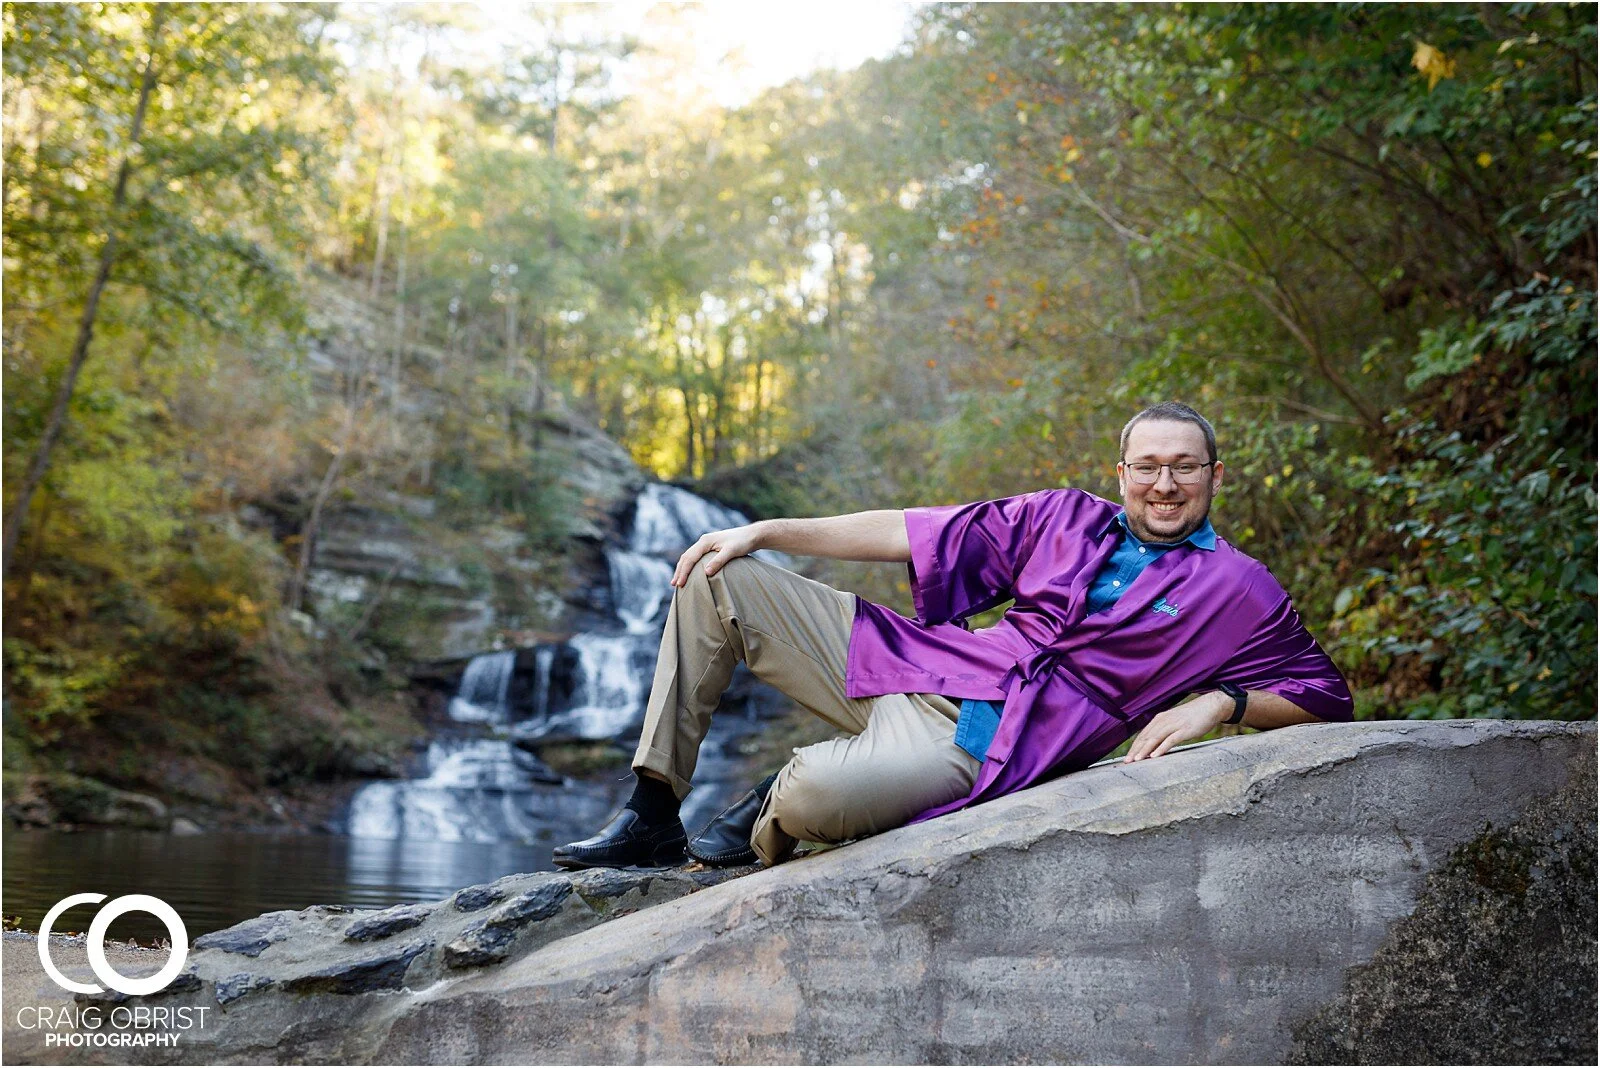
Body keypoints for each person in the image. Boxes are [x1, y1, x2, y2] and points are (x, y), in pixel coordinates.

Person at [553, 402, 1354, 871]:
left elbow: (1326, 697)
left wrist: (1221, 702)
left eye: (1184, 467)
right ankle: (652, 812)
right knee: (716, 576)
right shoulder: (1064, 516)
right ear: (1121, 474)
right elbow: (914, 530)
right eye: (1147, 466)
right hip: (911, 663)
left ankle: (768, 803)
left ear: (1216, 476)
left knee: (809, 794)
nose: (1165, 484)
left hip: (981, 742)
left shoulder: (1240, 589)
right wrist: (766, 530)